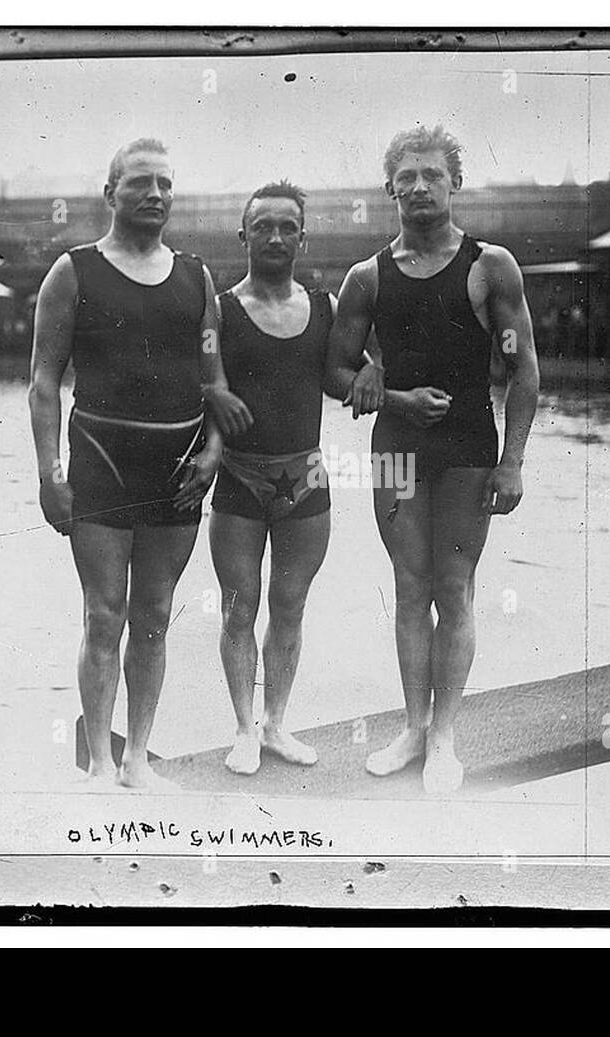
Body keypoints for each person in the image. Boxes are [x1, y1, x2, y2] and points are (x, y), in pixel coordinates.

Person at [28, 137, 251, 791]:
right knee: (104, 614)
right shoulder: (74, 272)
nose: (154, 195)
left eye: (164, 185)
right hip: (100, 459)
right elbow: (43, 382)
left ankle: (136, 761)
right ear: (111, 194)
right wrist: (50, 475)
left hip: (176, 468)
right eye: (139, 184)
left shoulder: (196, 275)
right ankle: (99, 762)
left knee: (154, 618)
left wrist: (213, 451)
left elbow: (214, 379)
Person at [326, 124, 540, 794]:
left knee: (454, 588)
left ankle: (445, 739)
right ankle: (413, 729)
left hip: (470, 447)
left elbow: (525, 370)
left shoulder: (490, 267)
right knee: (410, 587)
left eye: (433, 175)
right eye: (407, 177)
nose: (420, 187)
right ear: (390, 187)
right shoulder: (367, 278)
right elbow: (335, 370)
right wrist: (390, 393)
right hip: (395, 447)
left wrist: (514, 462)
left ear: (454, 184)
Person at [210, 181, 335, 775]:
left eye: (288, 227)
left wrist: (374, 376)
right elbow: (199, 380)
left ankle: (277, 726)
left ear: (303, 237)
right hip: (239, 480)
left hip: (306, 480)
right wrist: (215, 400)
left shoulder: (325, 306)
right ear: (244, 235)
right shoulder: (221, 308)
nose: (277, 236)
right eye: (264, 226)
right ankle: (242, 729)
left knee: (289, 607)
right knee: (239, 609)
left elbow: (348, 369)